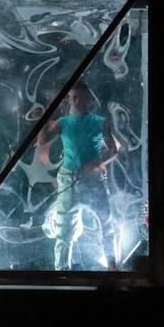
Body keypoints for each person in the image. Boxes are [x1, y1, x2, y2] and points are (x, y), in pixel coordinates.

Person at [37, 81, 122, 270]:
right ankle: (61, 270)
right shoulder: (63, 123)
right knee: (64, 229)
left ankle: (112, 267)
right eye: (74, 97)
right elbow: (43, 139)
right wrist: (46, 115)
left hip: (92, 179)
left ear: (88, 99)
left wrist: (99, 162)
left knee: (106, 223)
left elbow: (114, 150)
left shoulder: (99, 122)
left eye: (81, 97)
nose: (77, 101)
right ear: (69, 99)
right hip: (69, 177)